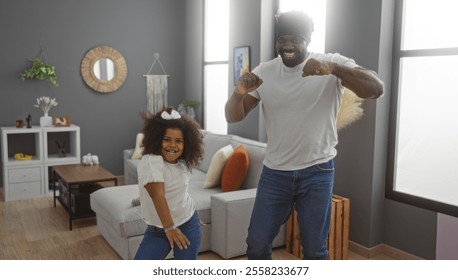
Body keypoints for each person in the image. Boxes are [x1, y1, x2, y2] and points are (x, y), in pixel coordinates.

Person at [225, 11, 383, 260]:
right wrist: (238, 93)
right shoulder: (265, 71)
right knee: (256, 244)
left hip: (317, 173)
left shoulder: (330, 62)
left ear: (308, 40)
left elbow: (375, 88)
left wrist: (333, 69)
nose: (287, 45)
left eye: (295, 38)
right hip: (275, 173)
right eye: (282, 39)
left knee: (314, 250)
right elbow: (233, 116)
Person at [134, 107, 204, 260]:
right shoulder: (151, 161)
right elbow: (157, 195)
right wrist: (170, 228)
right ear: (157, 138)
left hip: (189, 224)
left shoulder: (182, 163)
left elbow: (180, 192)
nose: (173, 145)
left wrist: (192, 215)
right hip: (160, 229)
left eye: (179, 141)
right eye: (167, 140)